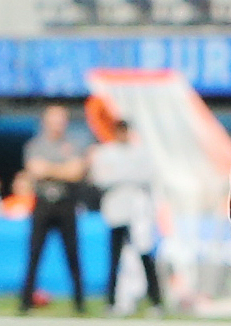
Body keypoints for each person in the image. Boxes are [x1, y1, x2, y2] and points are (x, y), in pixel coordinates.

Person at [85, 97, 164, 312]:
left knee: (145, 256)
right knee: (115, 259)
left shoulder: (140, 152)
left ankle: (156, 301)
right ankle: (112, 301)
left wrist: (120, 175)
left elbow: (147, 175)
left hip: (138, 214)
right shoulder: (105, 153)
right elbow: (101, 179)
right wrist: (127, 176)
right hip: (116, 212)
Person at [19, 105, 90, 311]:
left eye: (61, 120)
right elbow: (34, 170)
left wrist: (49, 169)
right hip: (42, 203)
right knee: (34, 253)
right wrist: (62, 169)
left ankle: (79, 303)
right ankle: (25, 301)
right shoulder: (36, 145)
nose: (58, 125)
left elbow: (76, 172)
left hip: (66, 203)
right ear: (45, 122)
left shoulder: (73, 145)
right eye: (54, 120)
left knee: (73, 254)